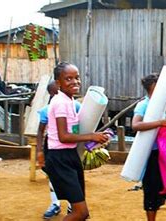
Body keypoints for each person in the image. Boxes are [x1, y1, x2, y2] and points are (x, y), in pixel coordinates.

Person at [45, 62, 109, 220]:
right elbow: (63, 136)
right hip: (60, 159)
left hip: (69, 156)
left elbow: (73, 133)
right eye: (68, 79)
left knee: (81, 212)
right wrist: (91, 136)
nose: (75, 82)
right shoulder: (60, 103)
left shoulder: (70, 101)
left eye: (77, 77)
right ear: (58, 83)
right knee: (80, 212)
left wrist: (95, 138)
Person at [131, 74, 166, 221]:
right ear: (151, 88)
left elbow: (161, 126)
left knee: (159, 188)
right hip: (149, 154)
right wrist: (160, 122)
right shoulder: (144, 105)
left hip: (160, 153)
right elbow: (135, 125)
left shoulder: (159, 105)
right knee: (151, 189)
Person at [36, 81, 81, 218]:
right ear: (51, 94)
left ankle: (71, 206)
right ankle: (55, 204)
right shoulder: (47, 109)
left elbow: (83, 125)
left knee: (72, 180)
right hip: (54, 147)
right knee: (53, 177)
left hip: (72, 144)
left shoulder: (76, 106)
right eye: (55, 92)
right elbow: (40, 131)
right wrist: (40, 151)